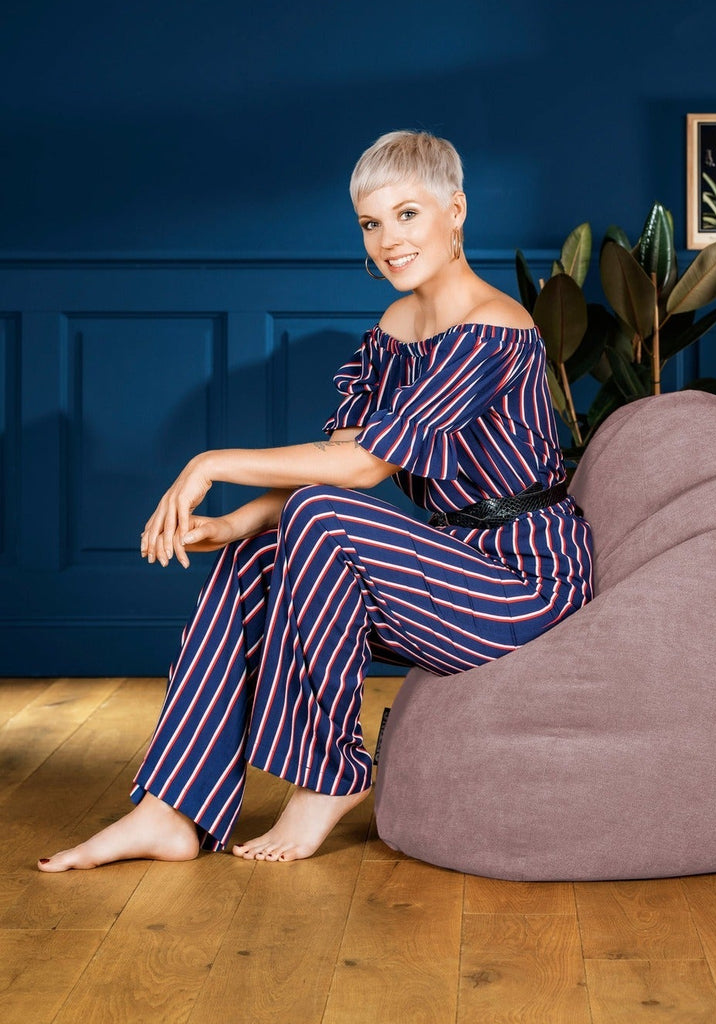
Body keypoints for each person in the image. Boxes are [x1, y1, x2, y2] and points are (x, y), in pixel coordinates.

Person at [38, 130, 594, 870]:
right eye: (371, 223)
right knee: (259, 553)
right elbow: (333, 462)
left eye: (407, 214)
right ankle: (170, 808)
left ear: (454, 211)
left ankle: (332, 777)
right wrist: (234, 522)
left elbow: (360, 469)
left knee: (320, 516)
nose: (388, 241)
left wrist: (210, 462)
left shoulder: (494, 329)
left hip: (525, 583)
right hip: (452, 567)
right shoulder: (393, 333)